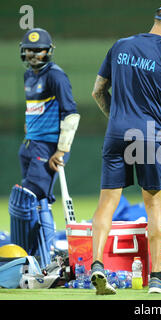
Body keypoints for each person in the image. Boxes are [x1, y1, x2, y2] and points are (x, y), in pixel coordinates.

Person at [90, 3, 161, 295]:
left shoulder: (120, 45)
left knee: (106, 203)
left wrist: (116, 120)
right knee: (153, 204)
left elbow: (97, 91)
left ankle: (96, 266)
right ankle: (156, 278)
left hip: (116, 133)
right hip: (148, 136)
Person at [8, 28, 80, 268]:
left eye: (39, 50)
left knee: (28, 198)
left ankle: (42, 256)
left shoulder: (56, 76)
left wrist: (61, 150)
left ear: (49, 50)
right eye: (30, 49)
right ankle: (38, 258)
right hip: (29, 145)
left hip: (48, 146)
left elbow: (71, 114)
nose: (34, 54)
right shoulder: (28, 76)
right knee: (37, 202)